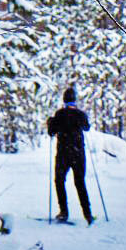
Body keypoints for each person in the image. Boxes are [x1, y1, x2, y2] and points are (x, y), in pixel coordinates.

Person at [46, 86, 94, 225]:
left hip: (63, 154)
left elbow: (51, 132)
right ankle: (87, 213)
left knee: (59, 181)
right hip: (78, 153)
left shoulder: (59, 114)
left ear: (64, 100)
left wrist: (50, 122)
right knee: (80, 183)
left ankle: (64, 212)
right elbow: (87, 127)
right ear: (74, 100)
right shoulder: (80, 114)